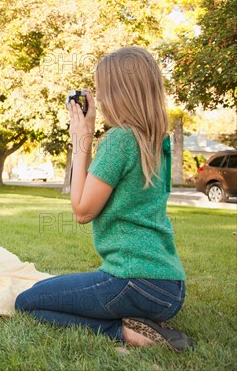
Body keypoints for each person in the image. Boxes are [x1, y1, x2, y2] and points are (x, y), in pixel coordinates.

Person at [15, 47, 194, 351]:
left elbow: (82, 211)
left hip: (133, 281)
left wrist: (81, 137)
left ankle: (126, 333)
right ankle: (144, 319)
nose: (99, 98)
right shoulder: (157, 140)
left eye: (101, 89)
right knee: (44, 288)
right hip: (169, 288)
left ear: (117, 91)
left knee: (27, 302)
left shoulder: (120, 140)